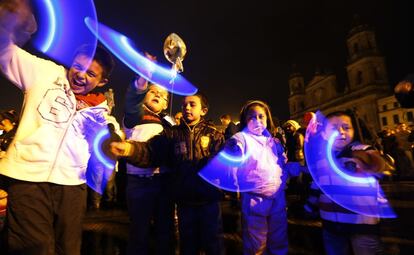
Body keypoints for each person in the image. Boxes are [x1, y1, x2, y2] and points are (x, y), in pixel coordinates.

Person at [0, 2, 118, 254]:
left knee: (69, 248)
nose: (81, 75)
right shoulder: (43, 73)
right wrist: (10, 18)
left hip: (72, 185)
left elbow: (106, 141)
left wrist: (110, 144)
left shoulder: (99, 109)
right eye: (78, 66)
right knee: (34, 247)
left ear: (102, 81)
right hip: (27, 178)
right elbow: (4, 50)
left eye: (91, 74)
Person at [110, 92, 225, 255]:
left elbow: (223, 163)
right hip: (185, 203)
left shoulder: (214, 134)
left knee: (214, 245)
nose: (187, 108)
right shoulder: (172, 134)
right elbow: (151, 151)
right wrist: (129, 149)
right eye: (184, 105)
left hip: (209, 202)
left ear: (203, 110)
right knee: (188, 246)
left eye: (192, 104)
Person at [223, 100, 301, 255]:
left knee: (279, 240)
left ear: (267, 119)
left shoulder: (274, 142)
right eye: (252, 117)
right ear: (245, 120)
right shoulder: (242, 138)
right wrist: (233, 150)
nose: (257, 120)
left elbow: (281, 163)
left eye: (261, 116)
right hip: (254, 201)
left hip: (278, 199)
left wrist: (290, 168)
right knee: (256, 246)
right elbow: (233, 151)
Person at [304, 110, 387, 255]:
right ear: (324, 134)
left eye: (346, 127)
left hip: (362, 225)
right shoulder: (321, 160)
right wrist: (309, 207)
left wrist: (367, 159)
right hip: (331, 225)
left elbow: (379, 165)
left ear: (353, 131)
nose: (340, 131)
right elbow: (316, 186)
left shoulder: (361, 151)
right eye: (334, 128)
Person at [123, 70, 176, 255]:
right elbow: (131, 101)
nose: (158, 95)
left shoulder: (166, 122)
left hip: (163, 181)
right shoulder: (134, 115)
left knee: (165, 229)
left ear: (165, 105)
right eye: (153, 91)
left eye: (162, 96)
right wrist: (141, 80)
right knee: (139, 231)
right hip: (139, 181)